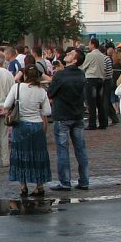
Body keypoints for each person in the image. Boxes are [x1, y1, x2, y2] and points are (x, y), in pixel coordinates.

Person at [0, 65, 51, 197]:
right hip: (37, 127)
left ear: (25, 75)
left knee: (21, 156)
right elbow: (47, 111)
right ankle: (39, 185)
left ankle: (23, 186)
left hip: (21, 126)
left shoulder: (17, 88)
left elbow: (6, 105)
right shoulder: (41, 91)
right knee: (37, 155)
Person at [46, 47, 90, 191]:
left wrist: (58, 72)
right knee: (81, 149)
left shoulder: (60, 75)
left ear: (75, 60)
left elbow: (51, 92)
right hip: (77, 115)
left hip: (62, 115)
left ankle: (65, 181)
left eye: (71, 54)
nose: (67, 54)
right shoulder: (81, 75)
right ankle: (84, 180)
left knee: (63, 150)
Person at [82, 39, 109, 129]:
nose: (88, 46)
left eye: (89, 44)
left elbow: (83, 66)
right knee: (99, 102)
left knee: (91, 102)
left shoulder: (90, 55)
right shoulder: (102, 55)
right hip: (100, 79)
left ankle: (92, 123)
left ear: (93, 45)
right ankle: (103, 122)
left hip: (91, 79)